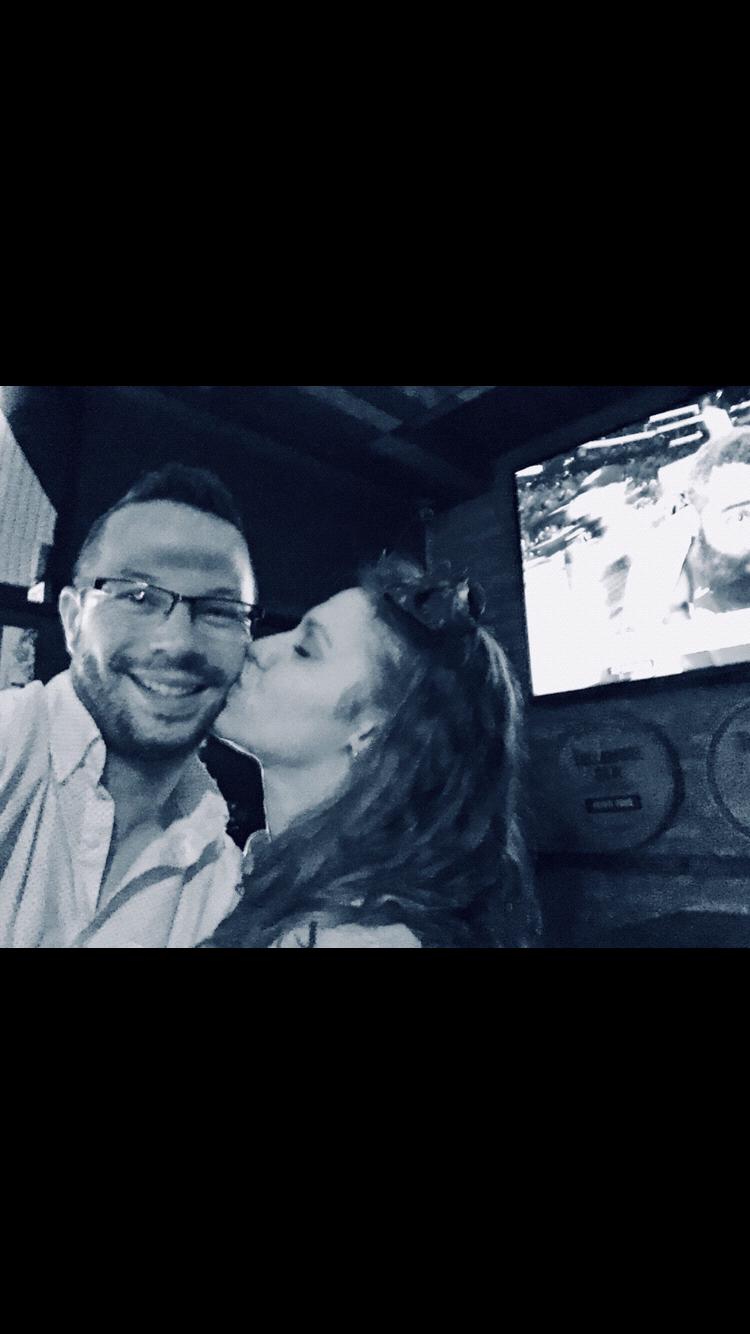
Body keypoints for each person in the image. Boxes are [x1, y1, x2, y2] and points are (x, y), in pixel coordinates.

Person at [207, 556, 540, 948]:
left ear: (374, 731)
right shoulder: (259, 871)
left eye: (305, 650)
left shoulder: (360, 939)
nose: (259, 648)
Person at [0, 463, 261, 948]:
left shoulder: (221, 887)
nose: (178, 642)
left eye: (220, 610)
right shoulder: (10, 746)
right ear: (73, 620)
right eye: (139, 596)